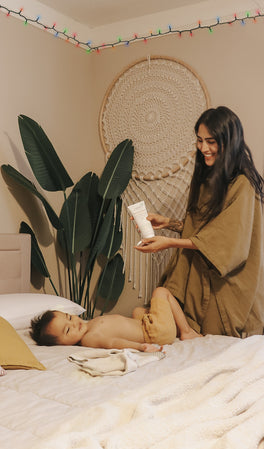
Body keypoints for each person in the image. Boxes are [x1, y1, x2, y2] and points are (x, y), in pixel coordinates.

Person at [135, 106, 264, 338]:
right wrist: (169, 223)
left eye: (211, 141)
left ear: (229, 142)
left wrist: (169, 243)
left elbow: (227, 242)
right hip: (203, 275)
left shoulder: (243, 185)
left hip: (228, 282)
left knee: (213, 338)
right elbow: (205, 227)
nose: (204, 148)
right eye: (199, 140)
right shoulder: (209, 178)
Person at [30, 286, 201, 352]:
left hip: (146, 326)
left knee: (138, 310)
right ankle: (186, 332)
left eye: (69, 317)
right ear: (63, 345)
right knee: (161, 292)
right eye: (68, 330)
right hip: (154, 333)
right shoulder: (90, 338)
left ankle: (174, 328)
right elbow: (113, 343)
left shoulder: (88, 326)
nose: (74, 323)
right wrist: (141, 347)